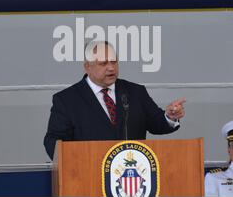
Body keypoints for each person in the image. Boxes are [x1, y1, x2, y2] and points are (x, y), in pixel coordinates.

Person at [43, 40, 186, 159]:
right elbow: (54, 141)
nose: (111, 68)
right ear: (87, 67)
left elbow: (157, 123)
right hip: (88, 176)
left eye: (114, 62)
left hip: (132, 174)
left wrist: (169, 117)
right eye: (103, 63)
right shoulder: (67, 100)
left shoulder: (135, 92)